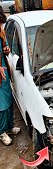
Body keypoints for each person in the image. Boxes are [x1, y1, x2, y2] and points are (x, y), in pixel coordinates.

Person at [0, 6, 20, 145]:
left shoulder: (1, 32)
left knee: (8, 100)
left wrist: (6, 50)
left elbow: (4, 48)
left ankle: (9, 127)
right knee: (1, 105)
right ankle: (1, 132)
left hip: (4, 70)